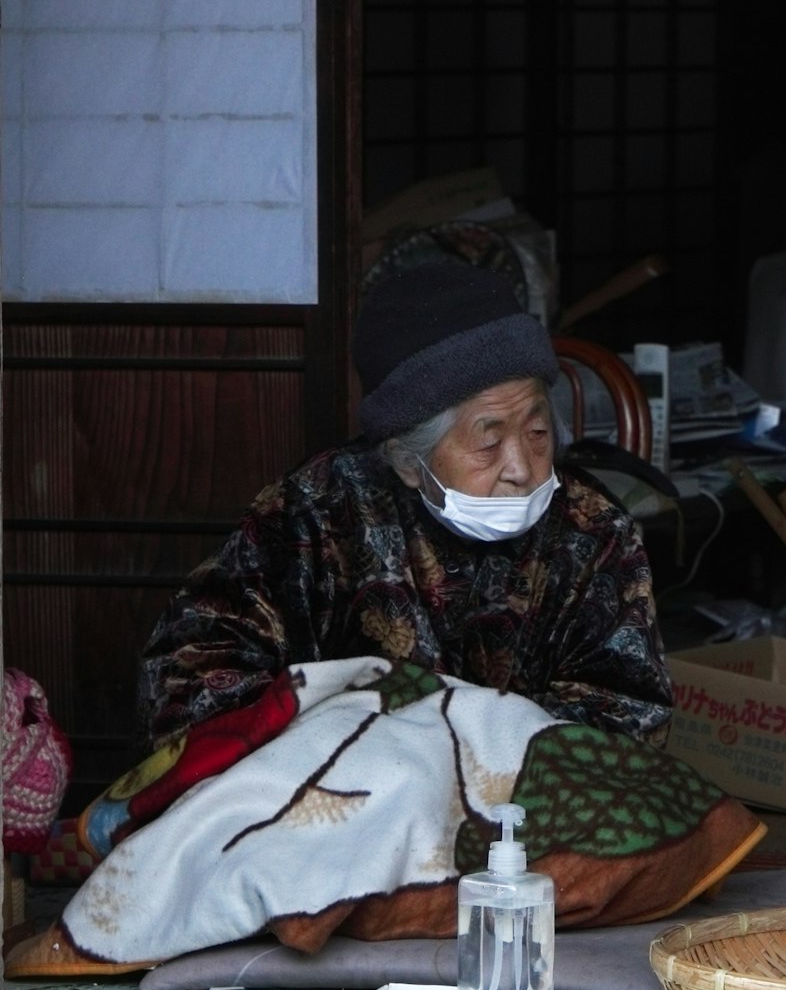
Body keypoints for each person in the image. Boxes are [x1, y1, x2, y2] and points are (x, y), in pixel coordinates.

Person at [138, 257, 673, 750]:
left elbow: (629, 711)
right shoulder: (315, 516)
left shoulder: (593, 532)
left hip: (523, 824)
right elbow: (192, 672)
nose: (521, 467)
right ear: (407, 461)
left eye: (536, 431)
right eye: (488, 441)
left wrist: (478, 767)